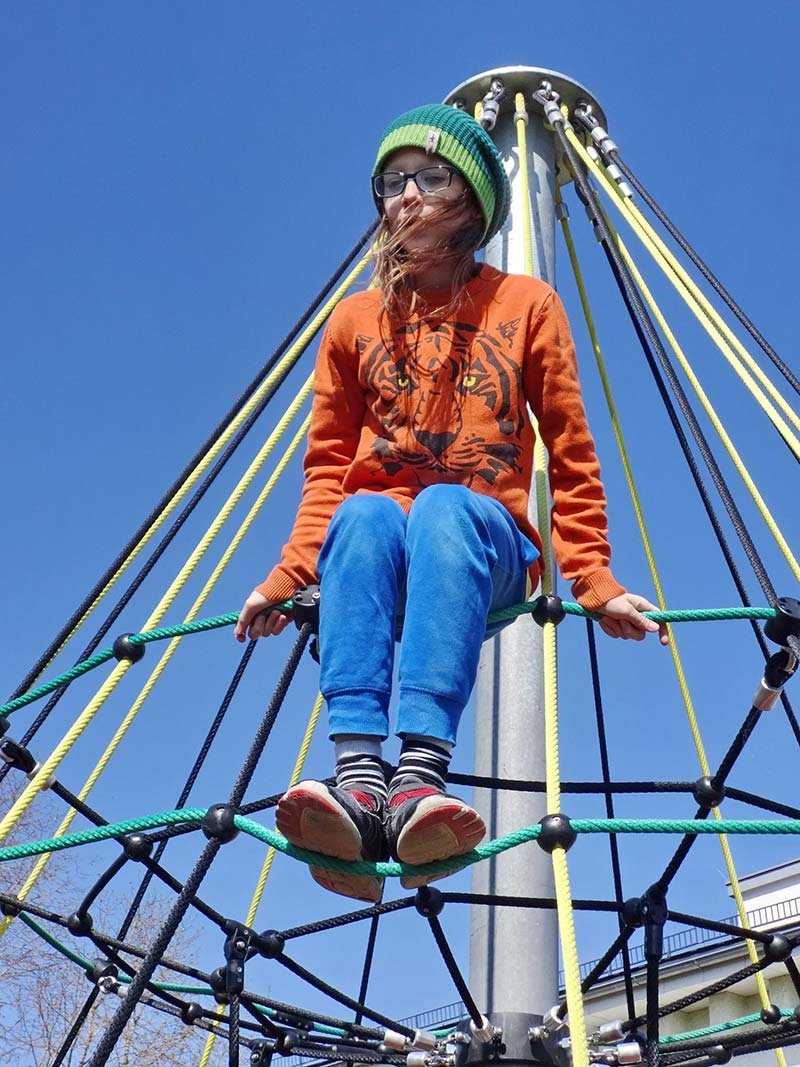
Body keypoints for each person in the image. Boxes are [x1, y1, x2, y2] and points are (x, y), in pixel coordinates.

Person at [235, 104, 668, 904]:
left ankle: (419, 777)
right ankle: (360, 783)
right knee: (364, 512)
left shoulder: (526, 304)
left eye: (428, 179)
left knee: (441, 506)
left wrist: (593, 581)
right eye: (392, 181)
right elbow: (327, 466)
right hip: (379, 554)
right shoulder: (354, 320)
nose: (406, 196)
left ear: (470, 201)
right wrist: (287, 573)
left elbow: (571, 448)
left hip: (483, 540)